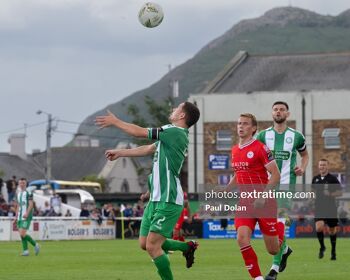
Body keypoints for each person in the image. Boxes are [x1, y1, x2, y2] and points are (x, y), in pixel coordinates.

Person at [95, 102, 200, 280]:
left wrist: (115, 121)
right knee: (145, 244)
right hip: (156, 198)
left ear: (182, 116)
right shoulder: (169, 137)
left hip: (169, 199)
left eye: (177, 108)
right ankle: (187, 247)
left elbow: (139, 132)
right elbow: (147, 149)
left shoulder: (174, 132)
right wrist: (120, 152)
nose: (173, 109)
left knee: (153, 246)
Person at [256, 101, 309, 280]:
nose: (278, 112)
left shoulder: (297, 136)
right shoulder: (263, 136)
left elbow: (305, 155)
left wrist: (302, 167)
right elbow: (257, 158)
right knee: (269, 225)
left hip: (287, 184)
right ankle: (284, 250)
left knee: (279, 221)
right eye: (276, 109)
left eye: (282, 109)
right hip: (267, 185)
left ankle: (274, 269)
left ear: (288, 113)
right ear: (272, 113)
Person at [226, 113, 282, 280]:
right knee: (242, 239)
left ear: (253, 128)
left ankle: (282, 238)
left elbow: (276, 174)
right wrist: (226, 189)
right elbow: (239, 173)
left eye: (245, 124)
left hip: (264, 203)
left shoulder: (260, 147)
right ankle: (257, 278)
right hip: (245, 203)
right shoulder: (235, 149)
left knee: (273, 250)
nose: (241, 127)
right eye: (239, 123)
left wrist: (263, 196)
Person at [312, 159, 342, 260]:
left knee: (332, 230)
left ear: (327, 166)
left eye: (324, 165)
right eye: (320, 165)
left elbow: (340, 192)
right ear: (318, 166)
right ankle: (322, 247)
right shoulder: (315, 179)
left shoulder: (333, 179)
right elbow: (313, 191)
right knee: (318, 228)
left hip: (331, 208)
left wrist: (330, 194)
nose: (322, 167)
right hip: (319, 207)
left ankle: (333, 252)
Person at [14, 178, 40, 256]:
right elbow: (18, 205)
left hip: (26, 216)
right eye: (20, 183)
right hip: (19, 216)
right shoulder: (18, 193)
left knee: (22, 233)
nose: (22, 184)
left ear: (26, 184)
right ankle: (26, 251)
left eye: (23, 183)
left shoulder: (29, 192)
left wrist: (27, 213)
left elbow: (31, 204)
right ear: (19, 184)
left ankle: (35, 244)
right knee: (22, 235)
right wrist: (16, 216)